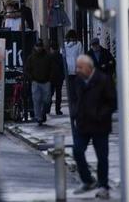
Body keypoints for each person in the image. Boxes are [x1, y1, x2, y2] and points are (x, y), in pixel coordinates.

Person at [71, 54, 116, 199]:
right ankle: (88, 180)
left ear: (89, 68)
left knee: (102, 156)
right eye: (77, 67)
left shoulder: (103, 80)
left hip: (100, 124)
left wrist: (99, 114)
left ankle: (103, 186)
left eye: (80, 67)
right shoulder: (78, 80)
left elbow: (112, 102)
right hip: (83, 123)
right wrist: (75, 112)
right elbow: (74, 98)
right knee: (77, 150)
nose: (77, 70)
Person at [24, 40, 53, 125]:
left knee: (47, 100)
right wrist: (31, 78)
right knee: (36, 100)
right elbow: (27, 69)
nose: (39, 48)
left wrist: (50, 78)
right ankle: (39, 117)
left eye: (40, 46)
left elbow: (52, 68)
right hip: (36, 82)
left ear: (42, 47)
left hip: (46, 81)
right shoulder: (31, 58)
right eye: (37, 46)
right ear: (35, 47)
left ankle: (42, 113)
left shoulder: (47, 57)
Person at [63, 29, 84, 106]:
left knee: (72, 89)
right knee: (75, 89)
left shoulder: (65, 45)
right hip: (74, 70)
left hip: (69, 70)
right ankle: (75, 104)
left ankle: (74, 104)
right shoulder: (78, 44)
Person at [48, 40, 66, 115]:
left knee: (49, 94)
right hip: (59, 78)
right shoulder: (61, 56)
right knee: (58, 94)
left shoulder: (49, 57)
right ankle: (57, 109)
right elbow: (64, 67)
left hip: (51, 78)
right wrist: (63, 76)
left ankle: (47, 109)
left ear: (51, 48)